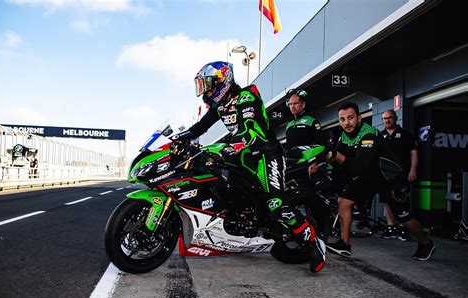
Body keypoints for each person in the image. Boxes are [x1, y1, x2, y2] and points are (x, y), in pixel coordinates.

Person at [176, 61, 326, 273]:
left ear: (223, 81)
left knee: (276, 203)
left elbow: (250, 128)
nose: (206, 90)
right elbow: (199, 127)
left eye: (208, 84)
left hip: (266, 154)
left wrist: (230, 146)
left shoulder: (247, 97)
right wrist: (178, 139)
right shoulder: (220, 106)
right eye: (203, 85)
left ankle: (313, 243)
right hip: (242, 156)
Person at [325, 102, 435, 260]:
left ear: (359, 118)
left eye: (350, 118)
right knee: (344, 201)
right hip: (368, 178)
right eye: (342, 119)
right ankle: (344, 244)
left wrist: (334, 155)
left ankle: (425, 243)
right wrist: (320, 163)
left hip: (388, 179)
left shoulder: (369, 134)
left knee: (403, 216)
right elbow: (337, 160)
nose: (346, 123)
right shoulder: (344, 136)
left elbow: (359, 165)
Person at [380, 110, 418, 241]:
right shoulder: (380, 135)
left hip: (402, 174)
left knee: (402, 201)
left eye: (390, 118)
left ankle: (403, 228)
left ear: (395, 118)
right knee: (386, 200)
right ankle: (391, 228)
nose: (387, 121)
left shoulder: (406, 135)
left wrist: (413, 170)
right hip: (385, 175)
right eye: (385, 119)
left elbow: (414, 153)